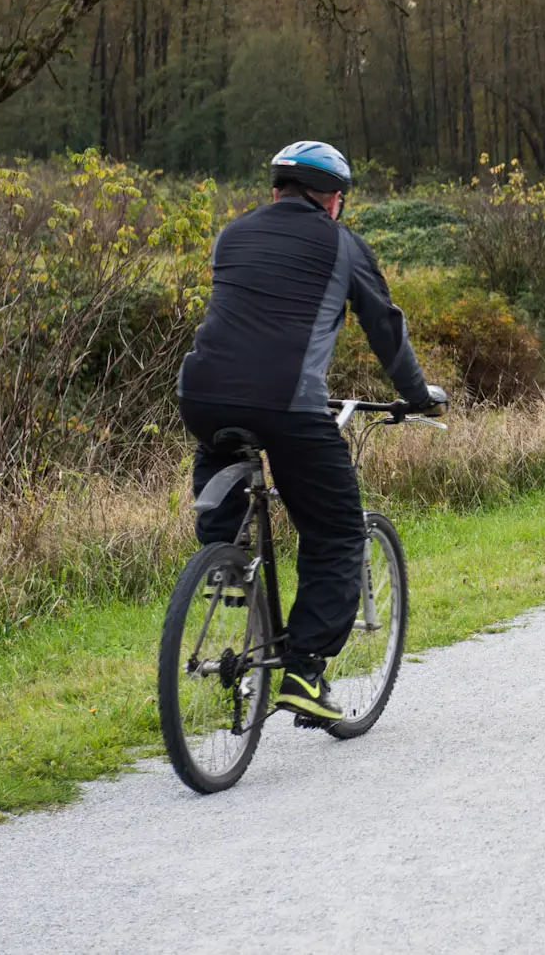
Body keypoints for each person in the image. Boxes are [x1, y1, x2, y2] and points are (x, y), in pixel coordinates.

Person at [176, 141, 442, 722]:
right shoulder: (343, 245)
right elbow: (385, 328)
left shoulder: (233, 235)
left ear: (275, 192)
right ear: (335, 202)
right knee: (338, 531)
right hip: (289, 406)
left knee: (218, 439)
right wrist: (418, 396)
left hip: (199, 393)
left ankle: (226, 557)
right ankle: (304, 671)